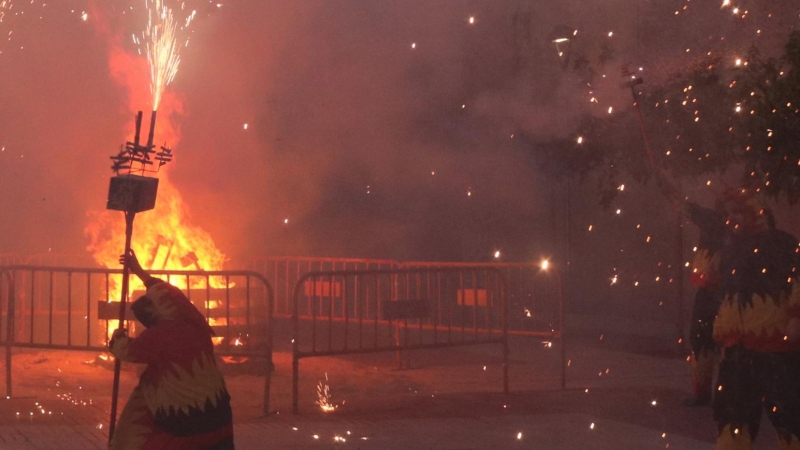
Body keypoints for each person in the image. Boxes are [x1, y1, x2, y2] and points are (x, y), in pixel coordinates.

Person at [109, 250, 234, 450]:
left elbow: (127, 350)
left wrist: (117, 338)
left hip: (185, 420)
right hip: (219, 416)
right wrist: (139, 271)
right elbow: (164, 291)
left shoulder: (163, 334)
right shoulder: (197, 325)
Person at [711, 190, 800, 449]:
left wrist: (796, 317)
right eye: (728, 214)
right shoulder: (730, 249)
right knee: (731, 418)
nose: (731, 219)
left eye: (737, 212)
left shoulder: (782, 244)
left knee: (790, 416)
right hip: (738, 351)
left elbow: (797, 281)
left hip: (776, 349)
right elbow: (727, 297)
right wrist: (723, 333)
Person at [657, 173, 727, 406]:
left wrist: (668, 189)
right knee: (702, 340)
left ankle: (726, 394)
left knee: (725, 343)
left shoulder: (721, 223)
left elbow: (686, 207)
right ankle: (704, 391)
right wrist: (667, 188)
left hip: (726, 295)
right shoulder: (714, 220)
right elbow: (686, 207)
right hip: (710, 292)